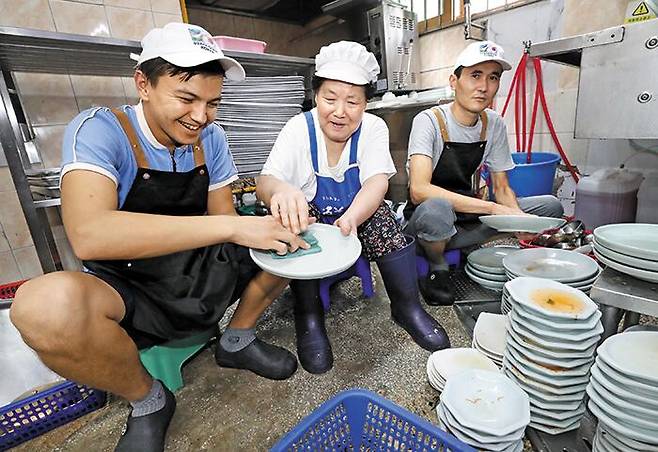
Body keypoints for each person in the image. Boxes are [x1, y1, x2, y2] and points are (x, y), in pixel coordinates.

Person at [10, 23, 307, 452]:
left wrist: (273, 210)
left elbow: (224, 216)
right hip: (130, 283)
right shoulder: (100, 130)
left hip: (197, 268)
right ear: (143, 84)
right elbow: (90, 236)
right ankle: (147, 399)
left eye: (212, 103)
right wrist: (231, 226)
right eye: (186, 99)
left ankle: (236, 339)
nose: (201, 116)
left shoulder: (212, 138)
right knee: (42, 309)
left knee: (292, 237)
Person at [257, 41, 451, 375]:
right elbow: (265, 181)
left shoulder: (373, 128)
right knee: (292, 223)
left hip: (356, 214)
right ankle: (309, 315)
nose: (340, 111)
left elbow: (377, 183)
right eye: (330, 98)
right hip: (312, 220)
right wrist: (281, 191)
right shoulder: (298, 129)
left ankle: (406, 307)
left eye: (353, 101)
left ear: (365, 104)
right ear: (315, 96)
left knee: (383, 222)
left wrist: (351, 217)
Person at [404, 40, 564, 306]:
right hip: (427, 224)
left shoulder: (494, 124)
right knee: (437, 210)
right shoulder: (429, 121)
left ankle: (467, 247)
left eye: (493, 78)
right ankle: (437, 266)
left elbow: (501, 187)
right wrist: (492, 210)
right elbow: (419, 190)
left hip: (467, 218)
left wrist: (519, 220)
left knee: (550, 206)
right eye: (475, 75)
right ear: (454, 81)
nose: (484, 87)